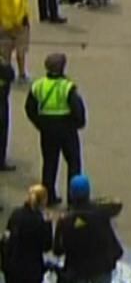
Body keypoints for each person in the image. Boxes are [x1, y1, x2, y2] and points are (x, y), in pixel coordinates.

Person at [24, 53, 85, 206]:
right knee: (73, 163)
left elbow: (29, 107)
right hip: (66, 127)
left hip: (47, 128)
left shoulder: (38, 85)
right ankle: (74, 200)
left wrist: (39, 123)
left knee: (49, 163)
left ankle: (48, 197)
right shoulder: (67, 86)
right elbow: (77, 108)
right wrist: (77, 124)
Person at [54, 175, 123, 283]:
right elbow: (117, 203)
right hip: (101, 267)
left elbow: (58, 250)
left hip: (77, 270)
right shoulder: (101, 213)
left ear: (71, 194)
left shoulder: (65, 221)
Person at [3, 185, 52, 283]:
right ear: (43, 201)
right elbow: (47, 246)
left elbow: (6, 237)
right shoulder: (40, 221)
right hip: (32, 271)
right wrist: (48, 225)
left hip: (13, 268)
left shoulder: (15, 214)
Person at [0, 0, 31, 80]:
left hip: (3, 24)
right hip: (18, 25)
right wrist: (18, 21)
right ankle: (21, 73)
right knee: (20, 50)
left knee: (4, 51)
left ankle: (4, 72)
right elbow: (19, 4)